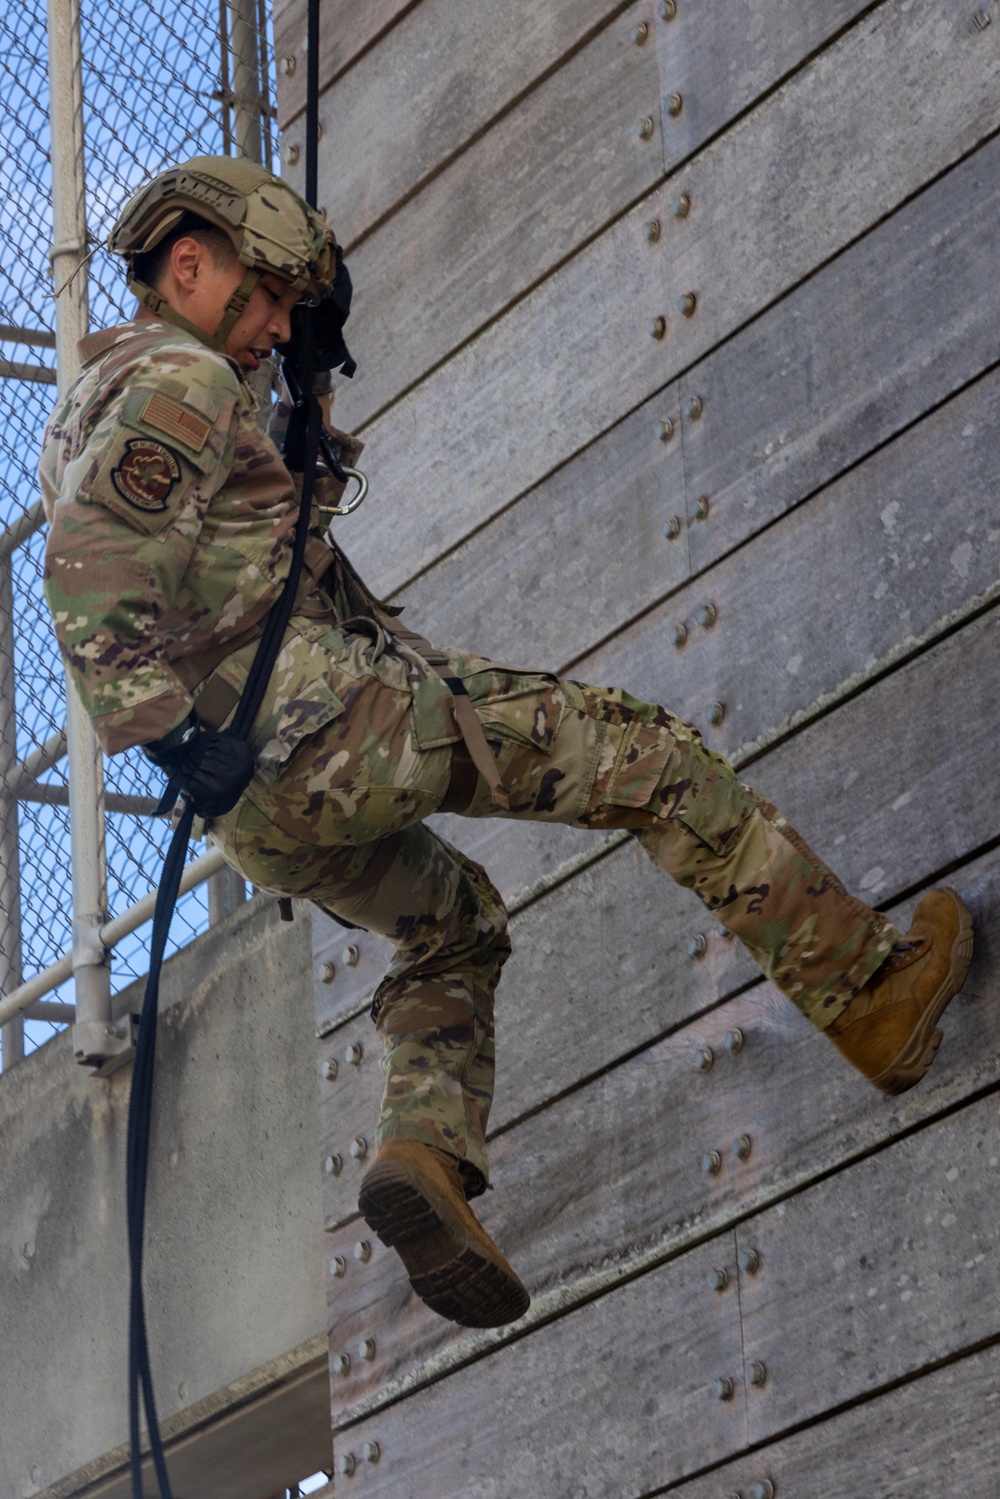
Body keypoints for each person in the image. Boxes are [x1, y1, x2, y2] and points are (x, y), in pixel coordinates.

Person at [39, 156, 974, 1331]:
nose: (279, 320)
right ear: (188, 265)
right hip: (331, 729)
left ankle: (424, 1154)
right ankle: (871, 994)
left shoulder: (107, 391)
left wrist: (300, 408)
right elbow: (85, 578)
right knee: (649, 761)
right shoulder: (180, 377)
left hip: (263, 809)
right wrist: (171, 739)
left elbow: (236, 565)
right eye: (267, 292)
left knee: (454, 927)